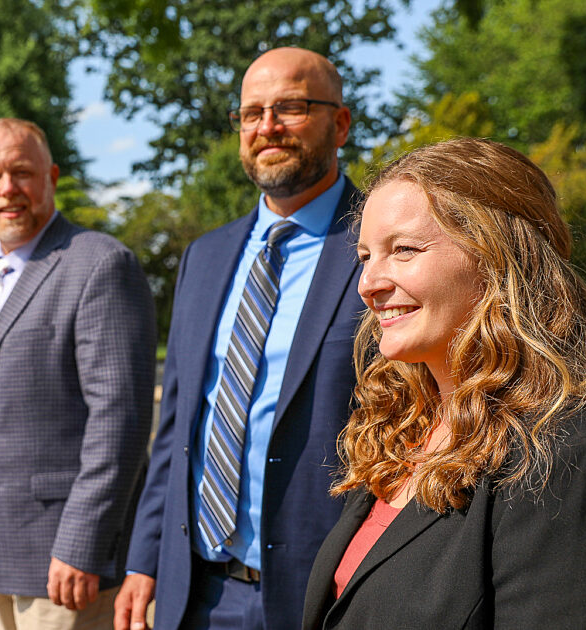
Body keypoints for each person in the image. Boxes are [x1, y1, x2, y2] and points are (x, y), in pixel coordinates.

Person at [300, 137, 586, 628]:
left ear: (498, 257)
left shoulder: (576, 458)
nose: (369, 283)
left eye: (403, 250)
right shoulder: (404, 434)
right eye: (365, 256)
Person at [116, 47, 363, 630]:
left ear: (341, 123)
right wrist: (146, 559)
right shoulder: (205, 257)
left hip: (322, 594)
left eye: (291, 107)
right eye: (251, 113)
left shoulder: (379, 245)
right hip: (199, 593)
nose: (267, 127)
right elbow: (177, 427)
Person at [0, 118, 157, 630]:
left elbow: (120, 422)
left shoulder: (101, 264)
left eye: (22, 172)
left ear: (52, 176)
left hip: (63, 566)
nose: (8, 189)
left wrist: (83, 543)